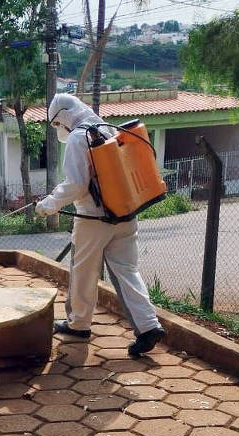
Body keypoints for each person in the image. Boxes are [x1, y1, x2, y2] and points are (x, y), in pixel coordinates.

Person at [35, 93, 165, 357]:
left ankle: (79, 324)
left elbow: (76, 184)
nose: (59, 129)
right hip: (125, 212)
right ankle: (149, 326)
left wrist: (48, 204)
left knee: (83, 272)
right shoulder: (106, 128)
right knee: (126, 271)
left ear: (63, 118)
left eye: (57, 124)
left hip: (93, 219)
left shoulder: (76, 138)